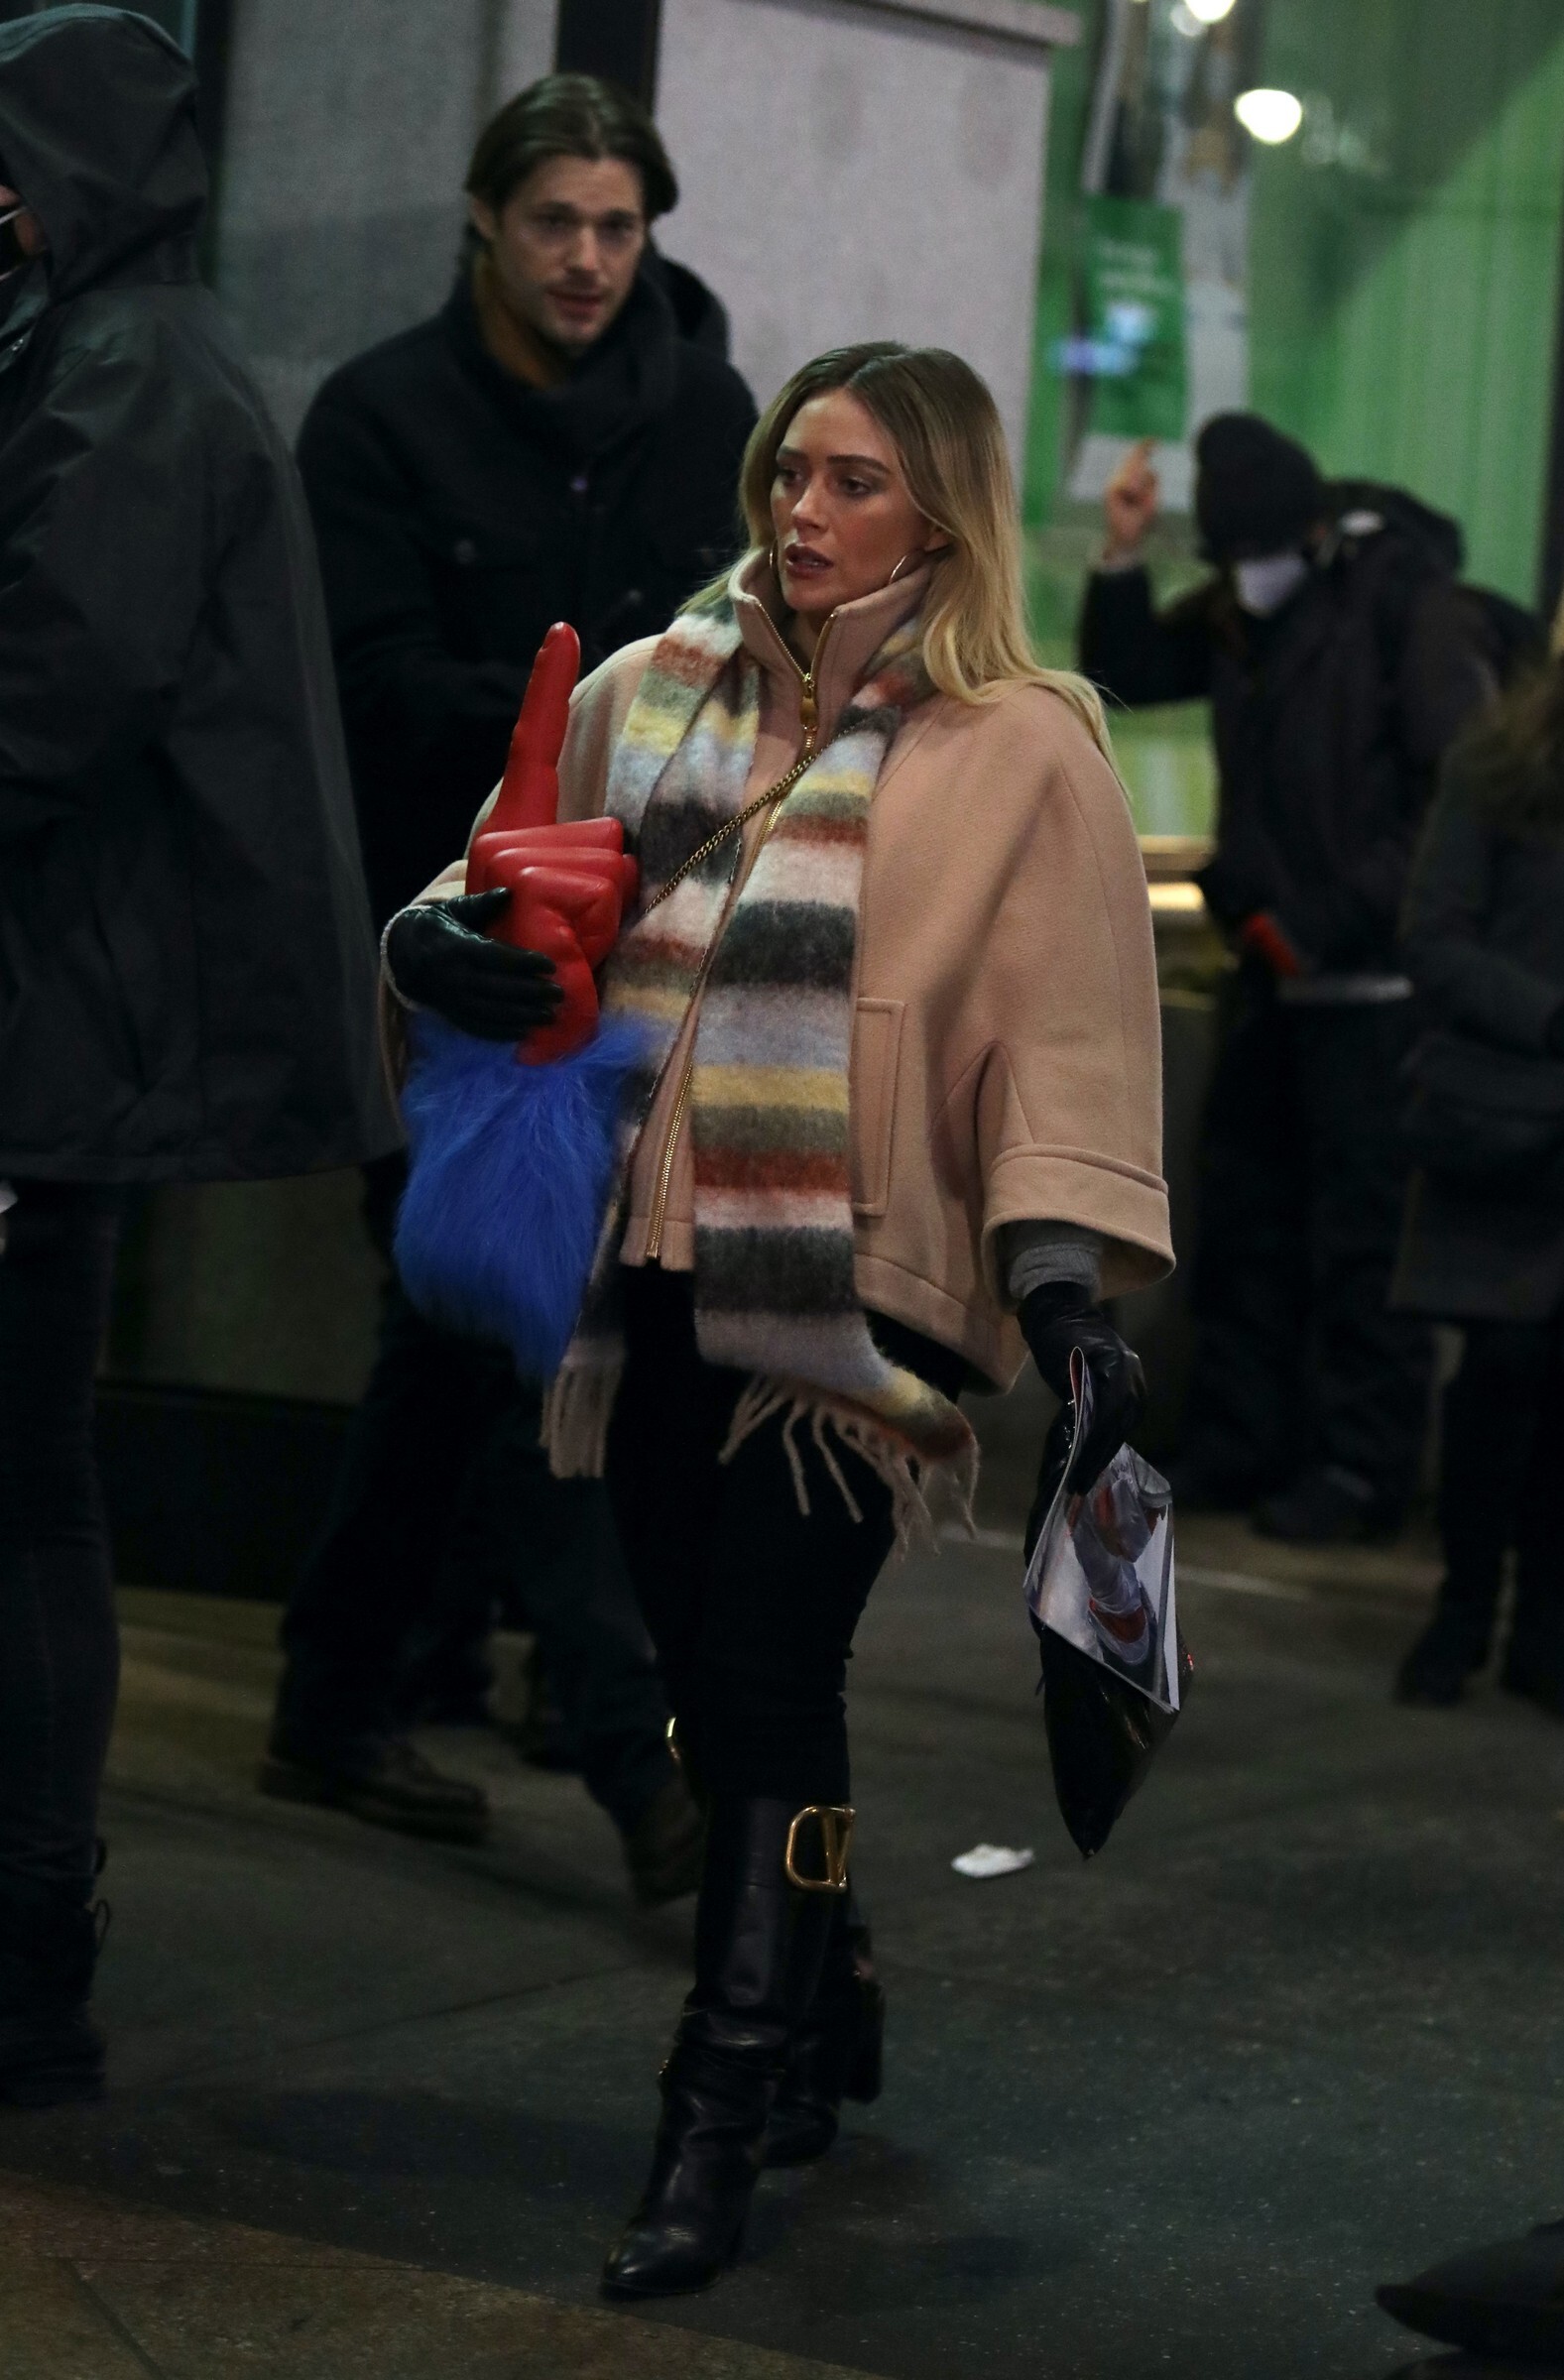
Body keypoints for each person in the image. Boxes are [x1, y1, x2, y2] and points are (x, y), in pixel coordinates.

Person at [386, 342, 1172, 2295]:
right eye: (786, 474)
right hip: (645, 1266)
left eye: (850, 483)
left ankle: (714, 2117)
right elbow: (486, 877)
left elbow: (1065, 1040)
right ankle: (826, 1979)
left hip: (858, 1290)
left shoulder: (1024, 748)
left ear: (939, 514)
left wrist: (1060, 1283)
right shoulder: (653, 687)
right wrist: (432, 943)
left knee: (761, 1674)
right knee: (719, 1686)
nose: (800, 515)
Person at [262, 73, 756, 1887]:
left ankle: (340, 1691)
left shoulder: (704, 415)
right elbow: (366, 689)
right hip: (446, 953)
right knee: (510, 1315)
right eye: (555, 220)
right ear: (485, 217)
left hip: (643, 954)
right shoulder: (382, 417)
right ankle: (643, 1770)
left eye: (619, 226)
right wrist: (590, 732)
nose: (587, 259)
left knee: (464, 1336)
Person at [0, 6, 396, 2107]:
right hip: (59, 1021)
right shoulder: (114, 350)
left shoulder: (132, 370)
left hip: (49, 1032)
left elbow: (48, 694)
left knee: (23, 1498)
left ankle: (25, 1957)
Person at [1080, 416, 1488, 1543]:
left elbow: (1450, 803)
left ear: (1311, 532)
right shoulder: (1240, 611)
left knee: (1362, 1245)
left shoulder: (1402, 608)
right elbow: (1129, 672)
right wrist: (1121, 554)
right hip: (1270, 974)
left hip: (1373, 992)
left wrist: (1321, 920)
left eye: (1255, 556)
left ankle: (1358, 1468)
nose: (1244, 578)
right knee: (1247, 1222)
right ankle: (1238, 1440)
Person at [1391, 662, 1564, 1709]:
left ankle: (1542, 1627)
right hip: (1505, 1125)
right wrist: (1546, 1018)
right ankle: (1462, 1609)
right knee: (1501, 1375)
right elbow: (1432, 937)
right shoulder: (1501, 764)